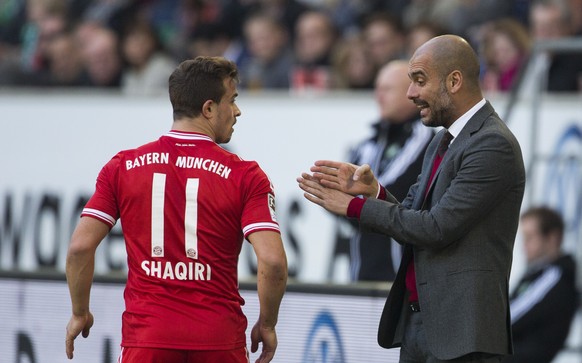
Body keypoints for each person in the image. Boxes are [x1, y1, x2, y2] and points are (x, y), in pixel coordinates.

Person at [297, 34, 526, 361]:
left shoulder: (493, 145)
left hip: (464, 337)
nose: (411, 94)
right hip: (420, 325)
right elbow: (412, 215)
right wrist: (373, 192)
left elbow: (436, 228)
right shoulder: (442, 141)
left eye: (419, 80)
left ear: (455, 81)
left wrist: (356, 208)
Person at [65, 56, 288, 363]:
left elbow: (79, 247)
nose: (237, 111)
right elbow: (273, 261)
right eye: (232, 100)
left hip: (147, 337)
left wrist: (79, 312)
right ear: (209, 109)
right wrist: (267, 323)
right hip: (218, 338)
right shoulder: (245, 175)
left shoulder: (122, 167)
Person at [332, 60, 433, 282]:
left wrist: (344, 199)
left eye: (387, 89)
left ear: (409, 92)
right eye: (377, 89)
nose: (378, 96)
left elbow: (386, 191)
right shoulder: (367, 143)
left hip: (399, 281)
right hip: (361, 277)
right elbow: (344, 197)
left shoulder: (424, 137)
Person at [503, 206, 579, 363]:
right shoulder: (539, 273)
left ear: (553, 238)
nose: (524, 246)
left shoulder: (554, 276)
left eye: (530, 237)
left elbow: (508, 319)